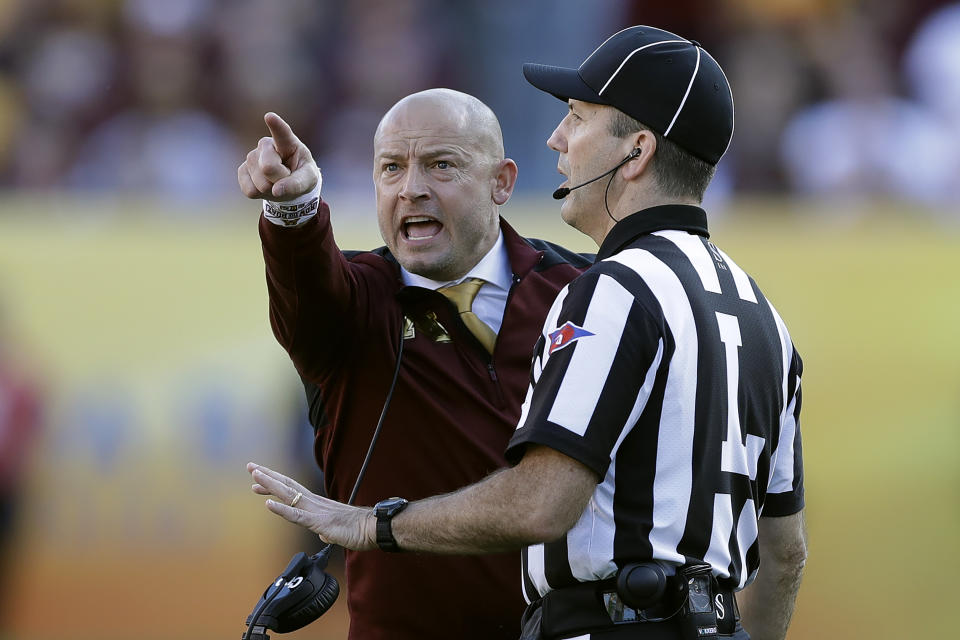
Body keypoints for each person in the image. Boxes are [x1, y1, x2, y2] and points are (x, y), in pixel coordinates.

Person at [247, 26, 807, 640]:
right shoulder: (763, 317)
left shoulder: (608, 290)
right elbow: (785, 554)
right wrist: (292, 212)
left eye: (578, 118)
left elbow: (543, 502)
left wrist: (371, 525)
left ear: (636, 151)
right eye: (391, 168)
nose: (557, 138)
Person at [237, 88, 592, 639]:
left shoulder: (586, 290)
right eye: (391, 168)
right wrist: (292, 209)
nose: (412, 189)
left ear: (502, 181)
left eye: (440, 165)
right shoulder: (353, 307)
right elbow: (305, 284)